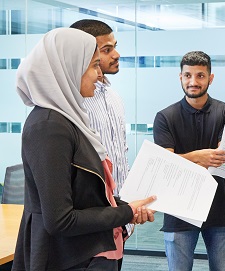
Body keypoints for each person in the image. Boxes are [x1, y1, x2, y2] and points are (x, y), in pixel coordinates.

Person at [12, 28, 156, 271]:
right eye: (93, 66)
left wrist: (126, 209)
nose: (99, 75)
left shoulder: (69, 120)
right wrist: (125, 212)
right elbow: (61, 220)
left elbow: (86, 196)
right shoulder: (49, 126)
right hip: (70, 259)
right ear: (67, 68)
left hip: (88, 253)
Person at [153, 51, 225, 271]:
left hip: (219, 208)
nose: (193, 82)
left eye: (200, 76)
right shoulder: (165, 117)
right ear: (180, 77)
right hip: (178, 208)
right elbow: (165, 166)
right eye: (188, 75)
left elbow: (223, 160)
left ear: (210, 78)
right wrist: (198, 156)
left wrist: (182, 160)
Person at [70, 19, 128, 197]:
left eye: (115, 47)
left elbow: (120, 154)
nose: (116, 55)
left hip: (123, 207)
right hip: (95, 211)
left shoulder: (113, 96)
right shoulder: (75, 102)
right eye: (107, 50)